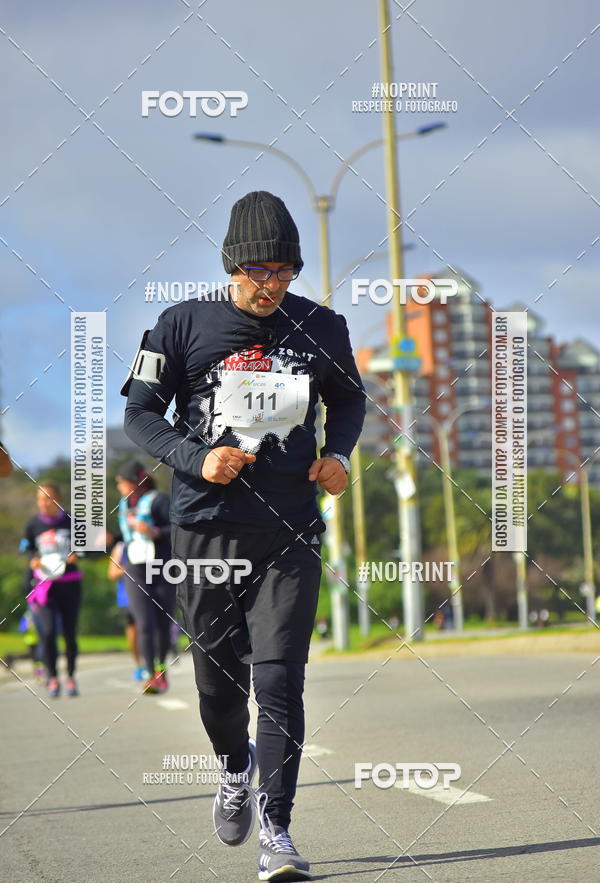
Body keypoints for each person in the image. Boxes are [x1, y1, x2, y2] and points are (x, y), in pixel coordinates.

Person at [122, 190, 366, 881]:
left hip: (289, 530)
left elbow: (349, 396)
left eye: (284, 272)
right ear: (232, 265)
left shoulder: (323, 326)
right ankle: (234, 767)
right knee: (218, 686)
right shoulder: (180, 324)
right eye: (259, 271)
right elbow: (141, 414)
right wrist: (195, 457)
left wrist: (338, 454)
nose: (271, 285)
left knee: (280, 678)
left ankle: (277, 831)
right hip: (205, 529)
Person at [116, 460, 174, 693]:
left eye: (121, 482)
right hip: (134, 567)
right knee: (144, 622)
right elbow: (122, 536)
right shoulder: (123, 505)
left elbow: (177, 528)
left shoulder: (159, 500)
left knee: (162, 621)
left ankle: (161, 667)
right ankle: (150, 675)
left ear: (134, 482)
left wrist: (156, 531)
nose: (118, 487)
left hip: (161, 565)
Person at [22, 482, 82, 697]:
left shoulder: (73, 521)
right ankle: (53, 677)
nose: (44, 503)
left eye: (48, 498)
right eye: (40, 499)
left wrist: (78, 554)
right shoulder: (33, 524)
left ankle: (71, 676)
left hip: (70, 583)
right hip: (45, 586)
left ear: (58, 499)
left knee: (69, 633)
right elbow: (26, 548)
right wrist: (33, 559)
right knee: (47, 633)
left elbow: (92, 548)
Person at [107, 536, 147, 682]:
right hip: (127, 597)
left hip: (149, 594)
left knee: (148, 628)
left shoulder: (150, 543)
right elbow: (112, 573)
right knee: (133, 633)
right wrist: (131, 569)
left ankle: (153, 663)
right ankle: (139, 665)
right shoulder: (120, 546)